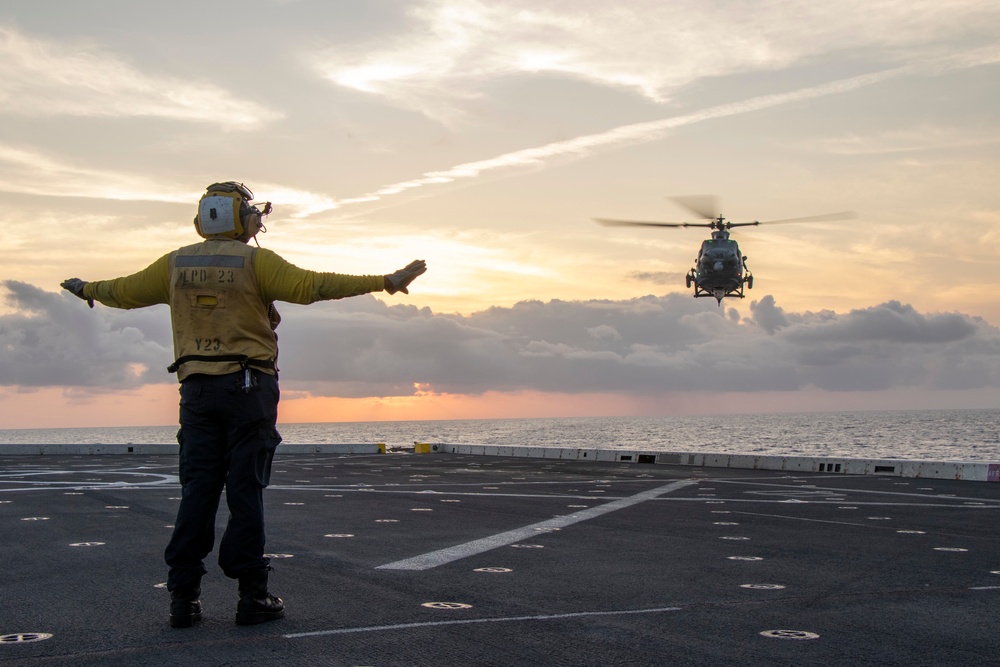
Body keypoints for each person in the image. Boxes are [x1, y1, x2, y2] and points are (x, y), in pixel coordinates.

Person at [61, 181, 426, 628]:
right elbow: (315, 285)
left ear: (202, 220)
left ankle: (184, 598)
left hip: (195, 389)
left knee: (197, 490)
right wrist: (385, 282)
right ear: (241, 218)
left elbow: (122, 290)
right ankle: (252, 596)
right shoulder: (256, 261)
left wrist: (86, 288)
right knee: (245, 490)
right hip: (250, 388)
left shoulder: (173, 264)